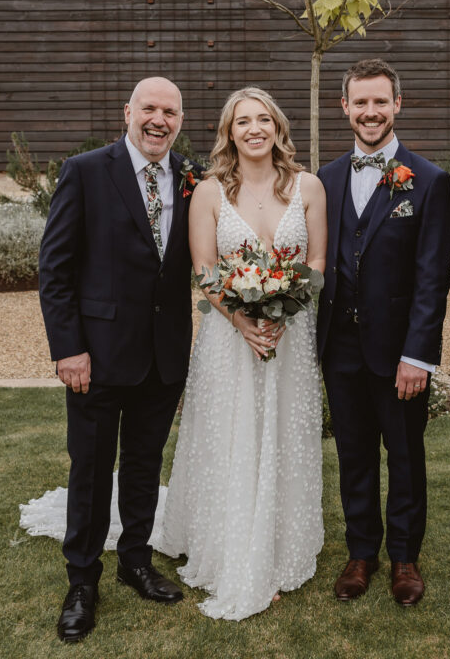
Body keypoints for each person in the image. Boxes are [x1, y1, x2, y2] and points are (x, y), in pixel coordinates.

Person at [38, 77, 199, 642]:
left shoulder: (190, 179)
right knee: (90, 470)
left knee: (142, 465)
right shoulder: (85, 171)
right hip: (97, 357)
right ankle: (82, 580)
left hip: (163, 355)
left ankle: (135, 560)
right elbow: (55, 270)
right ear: (128, 111)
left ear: (181, 119)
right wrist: (68, 349)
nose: (159, 120)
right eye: (150, 109)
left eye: (170, 112)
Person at [157, 86, 327, 621]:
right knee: (231, 434)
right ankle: (229, 544)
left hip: (291, 336)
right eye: (242, 121)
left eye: (263, 119)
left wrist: (286, 308)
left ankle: (280, 545)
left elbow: (318, 263)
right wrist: (241, 319)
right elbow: (205, 271)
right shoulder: (208, 193)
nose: (254, 129)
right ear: (229, 133)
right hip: (229, 341)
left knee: (282, 433)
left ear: (278, 127)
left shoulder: (310, 187)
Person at [317, 58, 450, 606]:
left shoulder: (429, 180)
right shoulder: (323, 179)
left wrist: (417, 356)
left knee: (403, 453)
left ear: (397, 105)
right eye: (360, 102)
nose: (370, 112)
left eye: (381, 101)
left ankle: (404, 556)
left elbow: (431, 277)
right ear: (344, 107)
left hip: (398, 349)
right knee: (353, 453)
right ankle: (361, 552)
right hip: (339, 348)